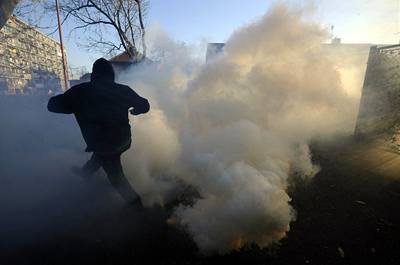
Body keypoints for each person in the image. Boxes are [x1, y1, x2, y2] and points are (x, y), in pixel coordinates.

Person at [47, 58, 150, 207]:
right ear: (112, 74)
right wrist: (135, 110)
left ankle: (137, 206)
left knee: (115, 176)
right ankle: (86, 172)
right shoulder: (123, 90)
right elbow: (144, 105)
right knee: (102, 154)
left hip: (105, 145)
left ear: (94, 74)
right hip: (124, 140)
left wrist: (66, 100)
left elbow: (52, 105)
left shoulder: (81, 92)